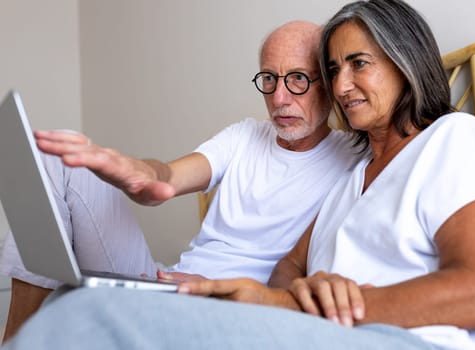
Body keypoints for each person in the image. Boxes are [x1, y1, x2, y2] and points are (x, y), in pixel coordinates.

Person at [3, 1, 475, 349]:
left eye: (357, 65)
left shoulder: (452, 138)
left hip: (387, 334)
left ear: (404, 61)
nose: (343, 86)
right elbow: (286, 270)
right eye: (335, 69)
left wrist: (306, 302)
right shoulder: (356, 179)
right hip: (296, 320)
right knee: (82, 300)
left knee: (86, 314)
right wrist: (301, 291)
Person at [0, 20, 356, 341]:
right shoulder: (245, 135)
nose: (279, 98)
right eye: (269, 79)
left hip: (235, 303)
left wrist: (221, 290)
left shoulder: (355, 161)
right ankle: (14, 339)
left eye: (298, 78)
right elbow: (168, 175)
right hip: (168, 282)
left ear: (327, 82)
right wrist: (141, 173)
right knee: (56, 154)